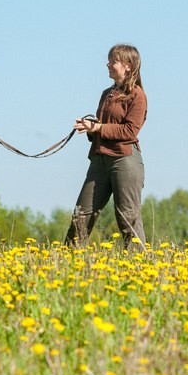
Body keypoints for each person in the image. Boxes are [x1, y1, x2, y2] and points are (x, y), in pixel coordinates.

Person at [64, 44, 148, 250]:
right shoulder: (106, 94)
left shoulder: (137, 95)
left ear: (128, 66)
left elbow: (129, 132)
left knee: (127, 215)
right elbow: (101, 131)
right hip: (99, 159)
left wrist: (98, 127)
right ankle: (68, 260)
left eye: (113, 61)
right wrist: (90, 128)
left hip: (124, 160)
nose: (108, 64)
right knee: (81, 214)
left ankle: (140, 263)